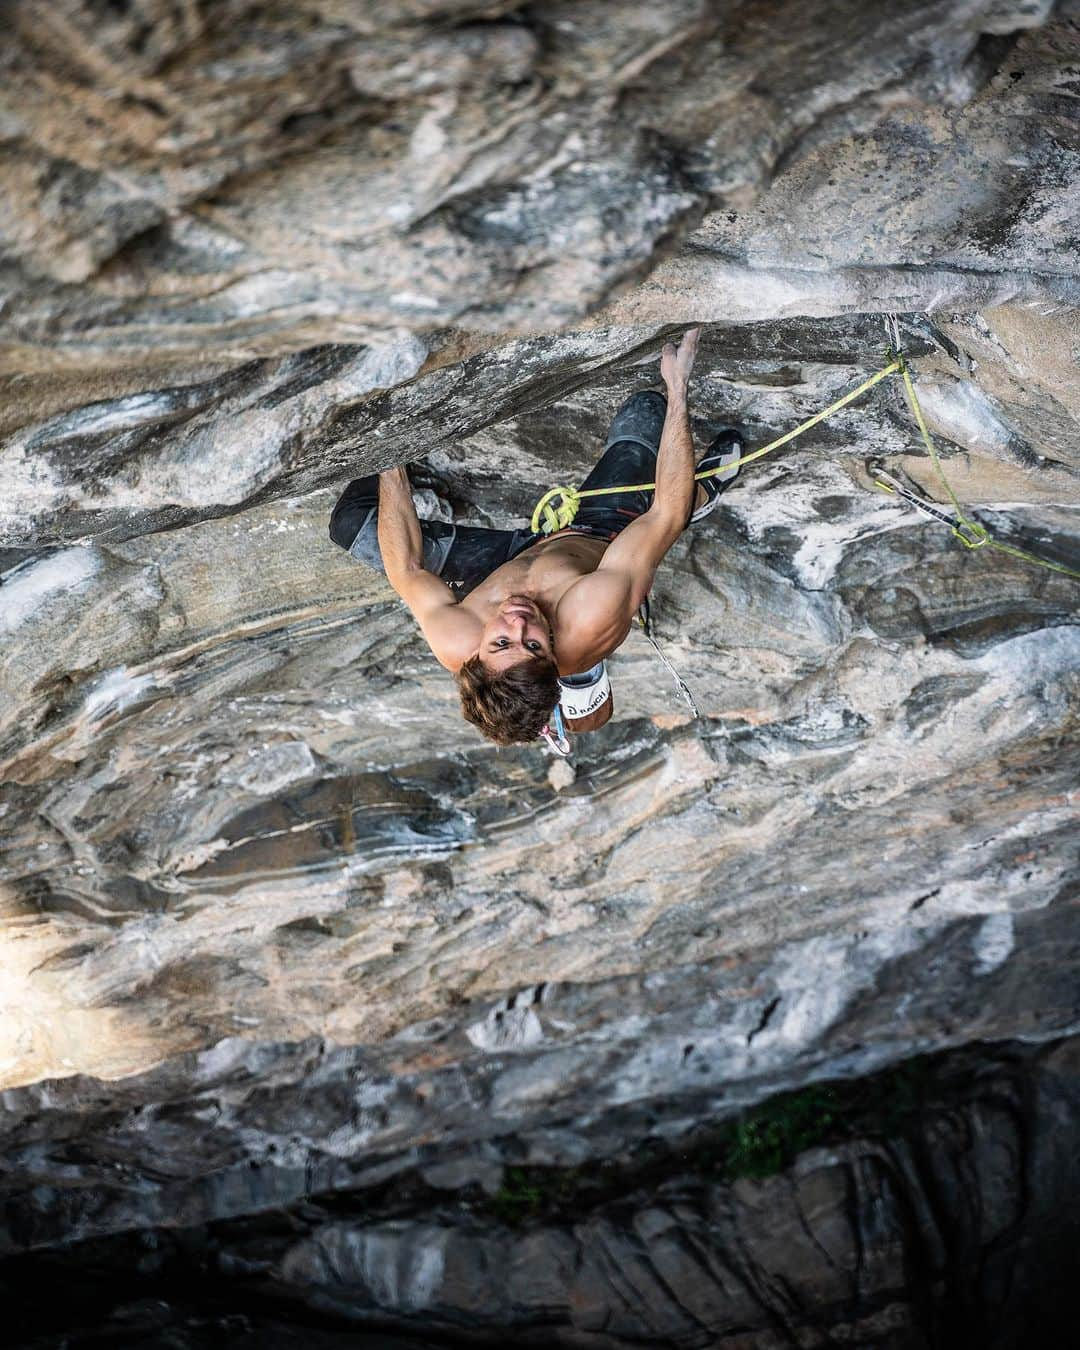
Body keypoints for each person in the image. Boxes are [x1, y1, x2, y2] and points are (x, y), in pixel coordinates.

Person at [328, 328, 742, 745]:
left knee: (352, 525)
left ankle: (424, 480)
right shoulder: (592, 615)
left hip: (502, 565)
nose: (520, 621)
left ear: (475, 656)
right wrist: (679, 388)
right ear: (554, 657)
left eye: (503, 641)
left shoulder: (457, 639)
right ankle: (700, 495)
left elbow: (406, 568)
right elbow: (662, 517)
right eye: (535, 645)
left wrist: (393, 445)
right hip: (596, 536)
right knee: (647, 411)